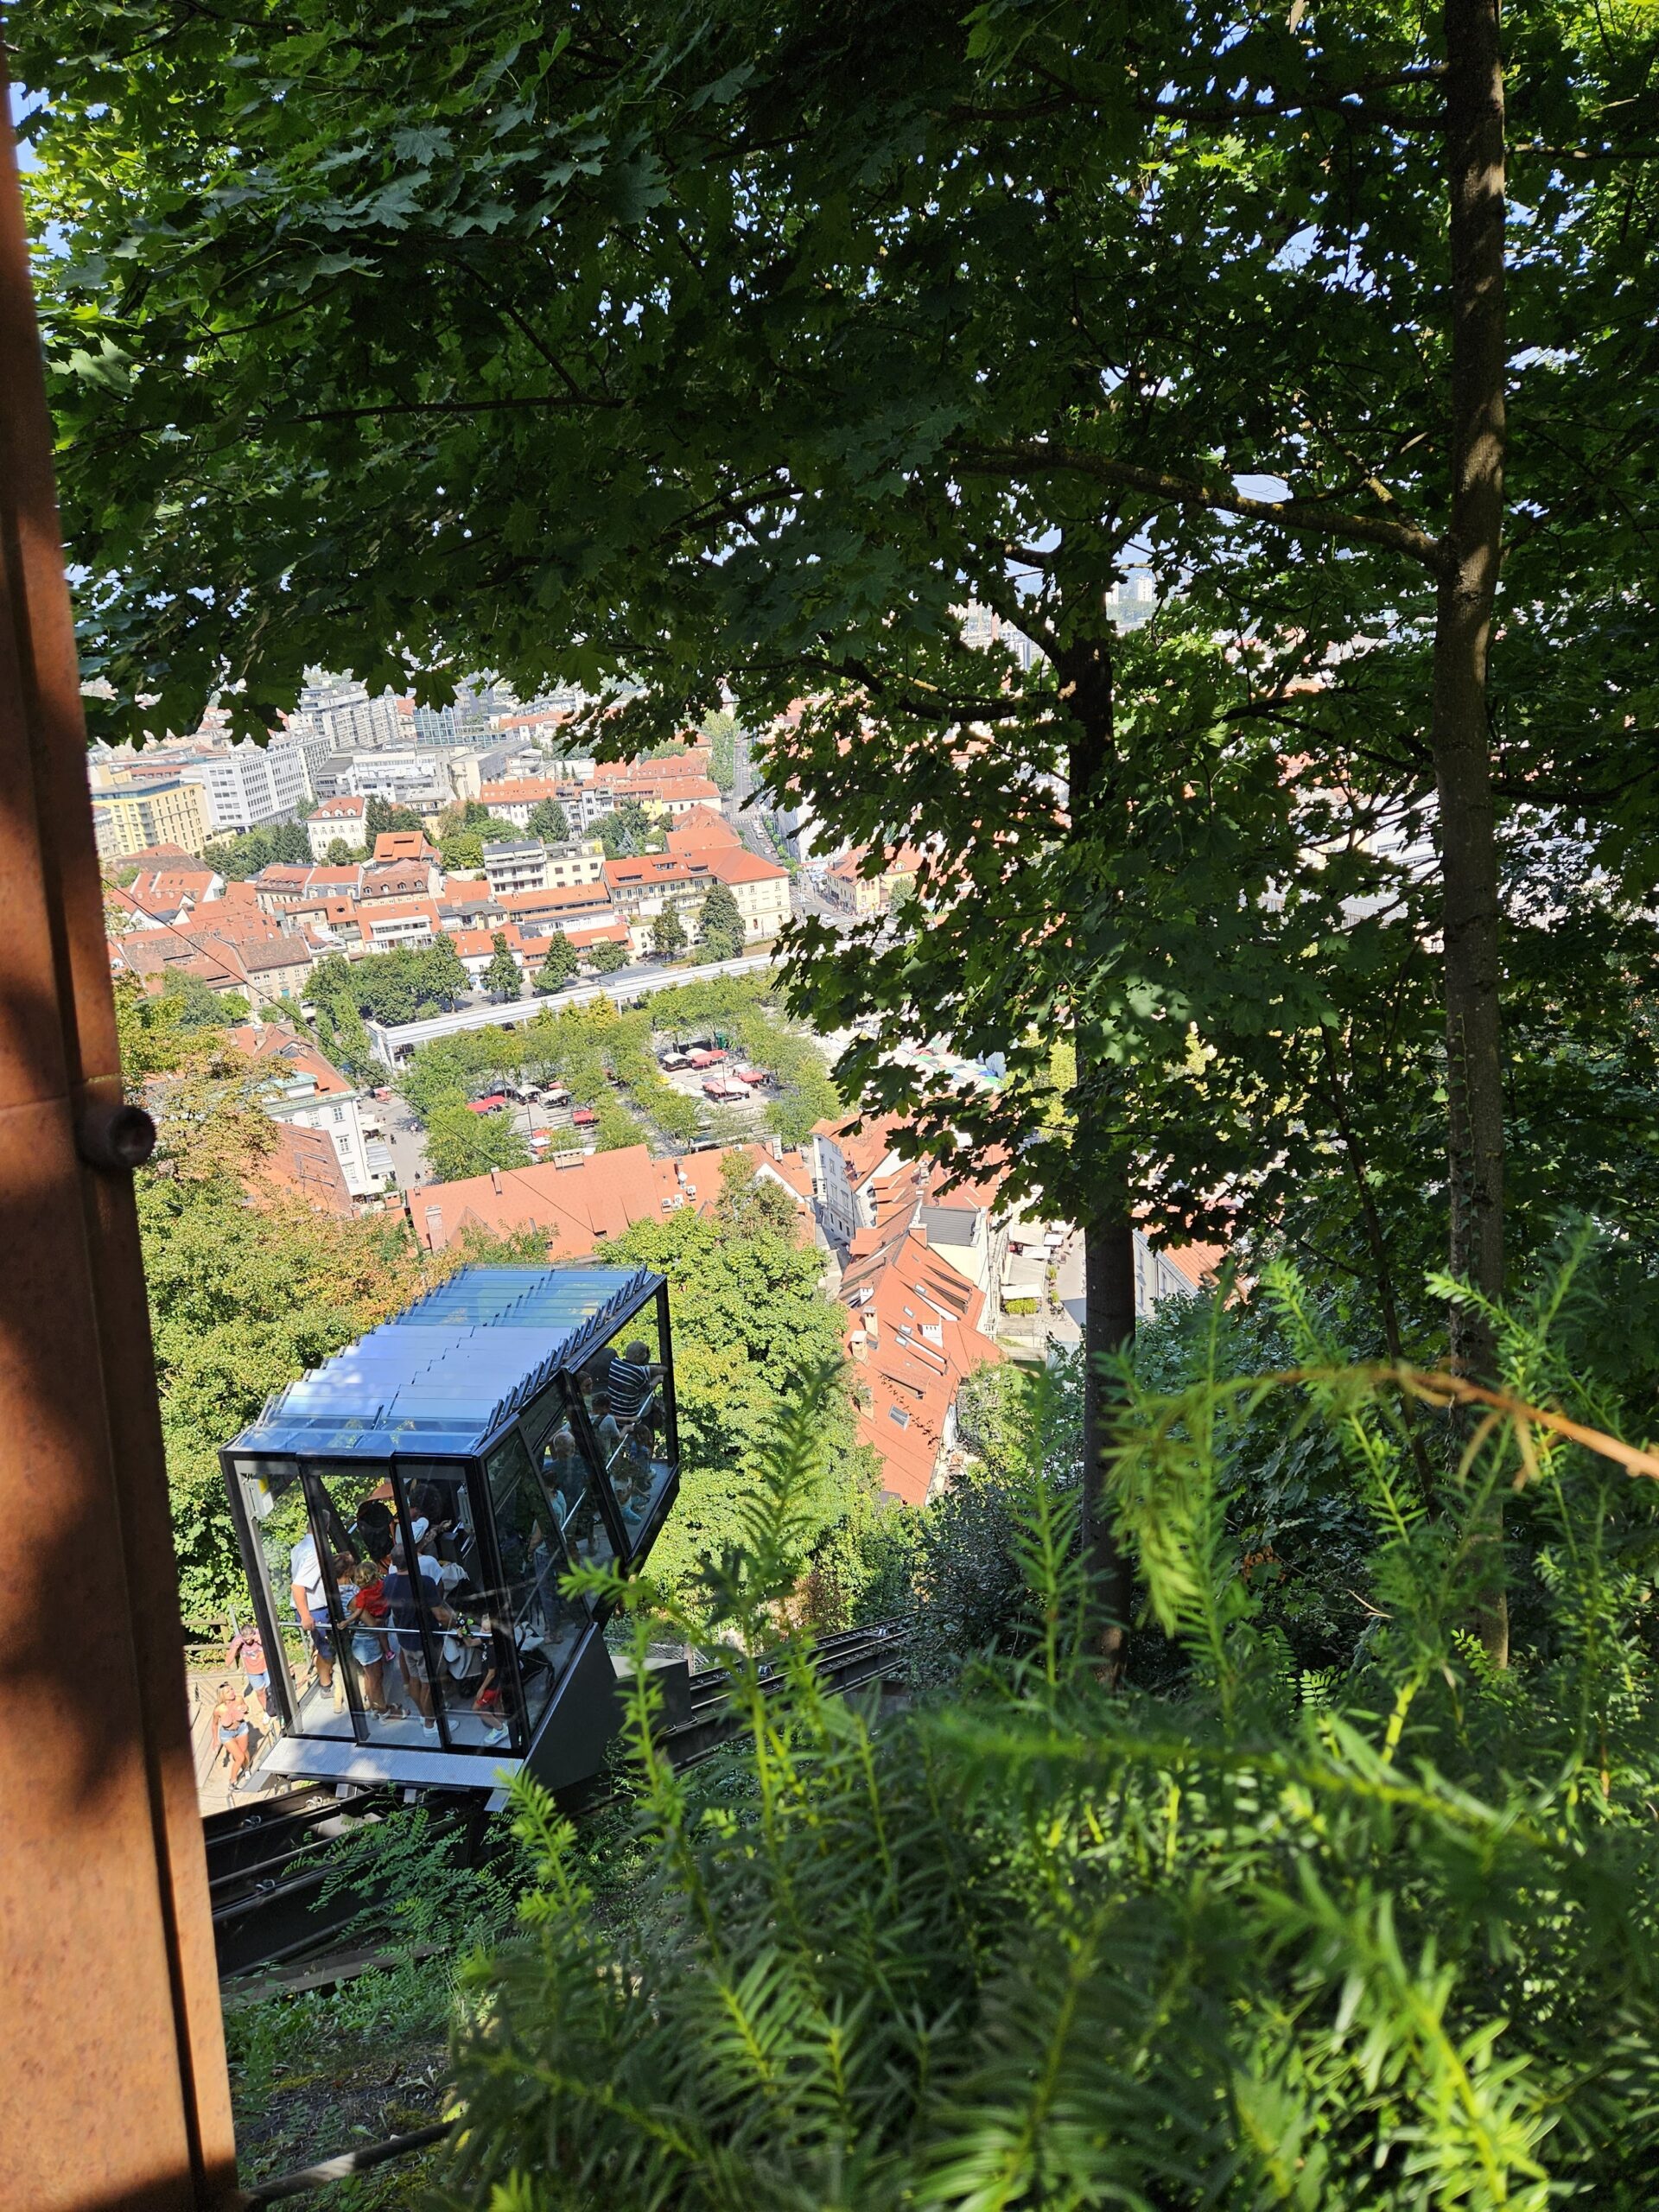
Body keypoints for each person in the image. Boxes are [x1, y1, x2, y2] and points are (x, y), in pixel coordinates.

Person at [289, 1527, 335, 1705]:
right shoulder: (316, 1552)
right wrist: (306, 1616)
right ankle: (326, 1685)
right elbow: (297, 1586)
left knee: (321, 1646)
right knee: (326, 1649)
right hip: (315, 1609)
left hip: (312, 1607)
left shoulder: (298, 1548)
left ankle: (327, 1680)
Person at [212, 1681, 253, 1790]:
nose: (232, 1692)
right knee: (239, 1757)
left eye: (232, 1689)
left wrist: (246, 1709)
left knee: (244, 1751)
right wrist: (215, 1740)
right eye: (228, 1692)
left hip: (241, 1729)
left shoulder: (239, 1699)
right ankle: (232, 1781)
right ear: (222, 1696)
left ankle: (247, 1769)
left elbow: (246, 1710)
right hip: (227, 1734)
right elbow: (214, 1724)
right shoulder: (219, 1710)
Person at [226, 1622, 270, 1723]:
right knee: (260, 1692)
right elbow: (227, 1662)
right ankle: (267, 1711)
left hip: (267, 1667)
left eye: (250, 1638)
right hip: (253, 1672)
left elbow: (273, 1646)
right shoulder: (238, 1640)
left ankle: (278, 1709)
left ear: (253, 1633)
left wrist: (262, 1641)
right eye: (246, 1640)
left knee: (271, 1690)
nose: (249, 1642)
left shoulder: (259, 1633)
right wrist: (235, 1648)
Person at [607, 1339, 656, 1423]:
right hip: (628, 1419)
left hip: (611, 1413)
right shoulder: (639, 1373)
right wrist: (657, 1379)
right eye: (644, 1355)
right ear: (638, 1355)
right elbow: (647, 1389)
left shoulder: (614, 1363)